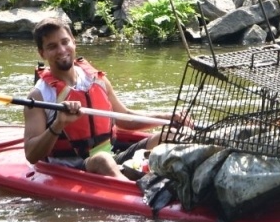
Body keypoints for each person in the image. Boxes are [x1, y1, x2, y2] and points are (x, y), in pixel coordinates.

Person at [23, 12, 187, 179]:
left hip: (111, 155)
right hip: (75, 168)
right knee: (103, 160)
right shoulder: (39, 96)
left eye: (65, 42)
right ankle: (140, 197)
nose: (62, 50)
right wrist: (59, 124)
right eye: (52, 46)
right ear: (42, 53)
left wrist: (167, 118)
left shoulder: (96, 79)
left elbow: (123, 118)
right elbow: (31, 154)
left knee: (170, 136)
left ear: (74, 41)